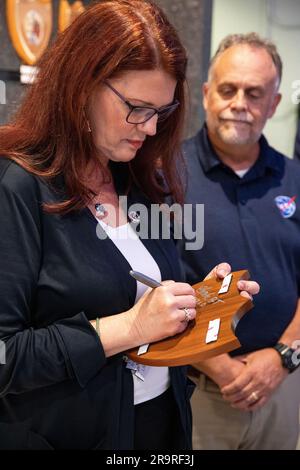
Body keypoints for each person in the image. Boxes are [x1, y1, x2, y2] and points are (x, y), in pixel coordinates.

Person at [0, 1, 258, 450]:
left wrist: (201, 300)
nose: (151, 128)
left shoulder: (134, 177)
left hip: (158, 423)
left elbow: (139, 293)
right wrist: (132, 327)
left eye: (162, 110)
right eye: (137, 108)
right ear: (80, 85)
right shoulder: (18, 187)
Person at [178, 33, 300, 450]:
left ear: (274, 104)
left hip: (284, 389)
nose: (239, 103)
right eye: (228, 89)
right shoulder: (164, 176)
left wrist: (283, 357)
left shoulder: (295, 178)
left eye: (254, 92)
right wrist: (222, 368)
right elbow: (149, 288)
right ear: (208, 94)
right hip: (199, 395)